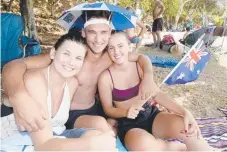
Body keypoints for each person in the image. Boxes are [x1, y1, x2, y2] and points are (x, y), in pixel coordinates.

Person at [2, 10, 154, 136]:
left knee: (117, 126)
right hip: (73, 113)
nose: (98, 39)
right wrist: (19, 96)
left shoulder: (110, 56)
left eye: (103, 33)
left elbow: (142, 57)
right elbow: (14, 65)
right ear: (83, 33)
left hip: (97, 107)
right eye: (92, 32)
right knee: (103, 129)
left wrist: (148, 77)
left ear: (110, 33)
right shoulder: (71, 55)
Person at [98, 31, 214, 151]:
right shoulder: (105, 78)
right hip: (129, 125)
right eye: (111, 48)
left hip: (151, 115)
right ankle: (174, 147)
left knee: (189, 129)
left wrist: (184, 112)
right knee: (144, 144)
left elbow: (157, 95)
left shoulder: (139, 67)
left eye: (120, 46)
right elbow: (108, 109)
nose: (116, 51)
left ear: (129, 45)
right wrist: (125, 112)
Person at [1, 33, 117, 151]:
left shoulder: (72, 83)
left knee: (96, 135)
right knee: (93, 144)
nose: (71, 62)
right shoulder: (35, 80)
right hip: (20, 141)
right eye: (66, 54)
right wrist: (89, 144)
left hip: (55, 136)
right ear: (53, 53)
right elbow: (43, 146)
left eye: (78, 58)